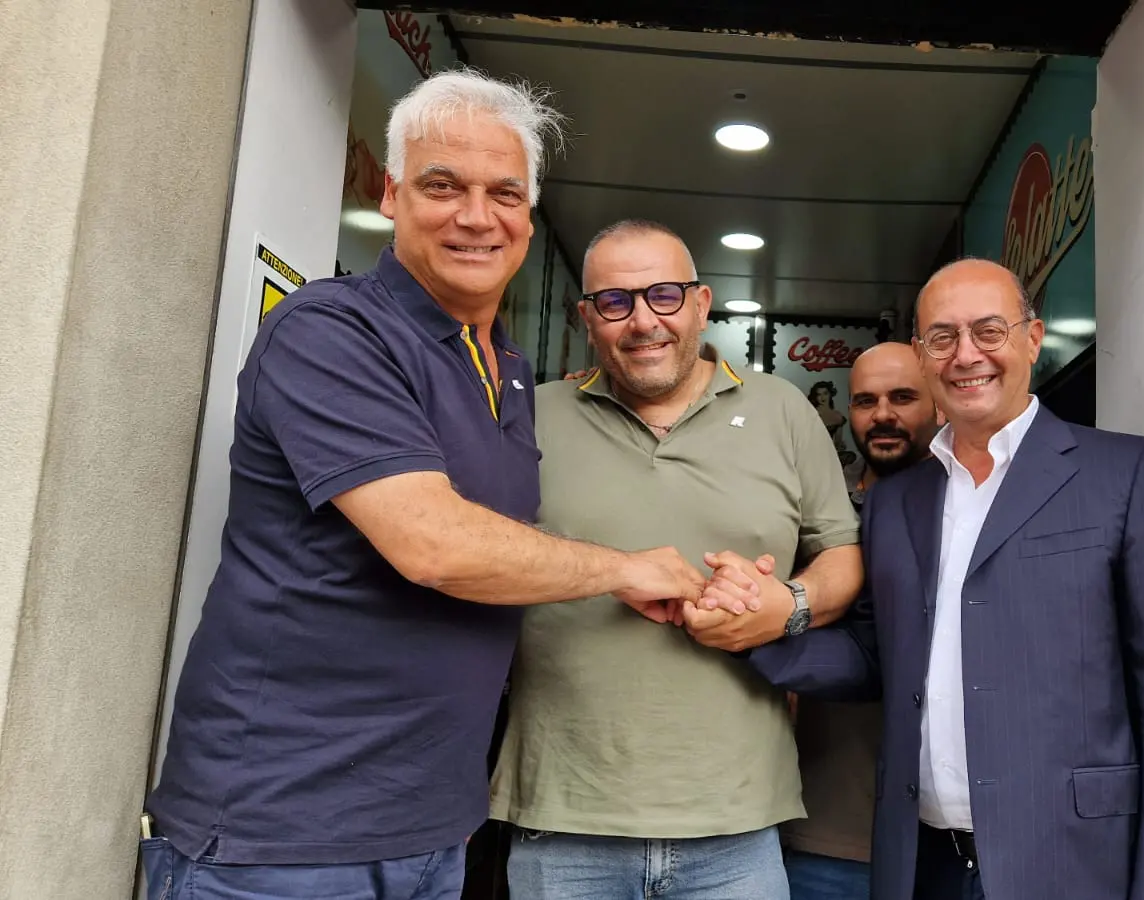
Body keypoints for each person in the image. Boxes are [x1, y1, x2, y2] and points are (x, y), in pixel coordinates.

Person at [139, 71, 705, 900]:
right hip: (283, 836)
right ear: (391, 194)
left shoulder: (508, 367)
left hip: (433, 831)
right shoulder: (330, 329)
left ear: (528, 214)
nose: (476, 216)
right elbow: (434, 545)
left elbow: (496, 561)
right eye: (443, 186)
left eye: (503, 193)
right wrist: (625, 569)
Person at [741, 257, 1144, 899]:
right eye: (942, 337)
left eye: (989, 331)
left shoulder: (1127, 474)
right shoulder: (896, 502)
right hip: (924, 867)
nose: (966, 354)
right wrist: (755, 624)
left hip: (1073, 865)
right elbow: (873, 652)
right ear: (922, 356)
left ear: (1032, 338)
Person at [488, 218, 864, 900]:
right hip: (563, 816)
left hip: (738, 823)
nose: (643, 321)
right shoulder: (533, 418)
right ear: (586, 320)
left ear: (701, 303)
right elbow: (477, 557)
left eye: (664, 295)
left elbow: (842, 553)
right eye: (614, 302)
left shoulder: (784, 411)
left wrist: (789, 606)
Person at [783, 342, 941, 899]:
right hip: (828, 833)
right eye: (866, 401)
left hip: (948, 843)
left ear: (939, 402)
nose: (882, 415)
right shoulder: (814, 521)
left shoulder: (973, 517)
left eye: (903, 397)